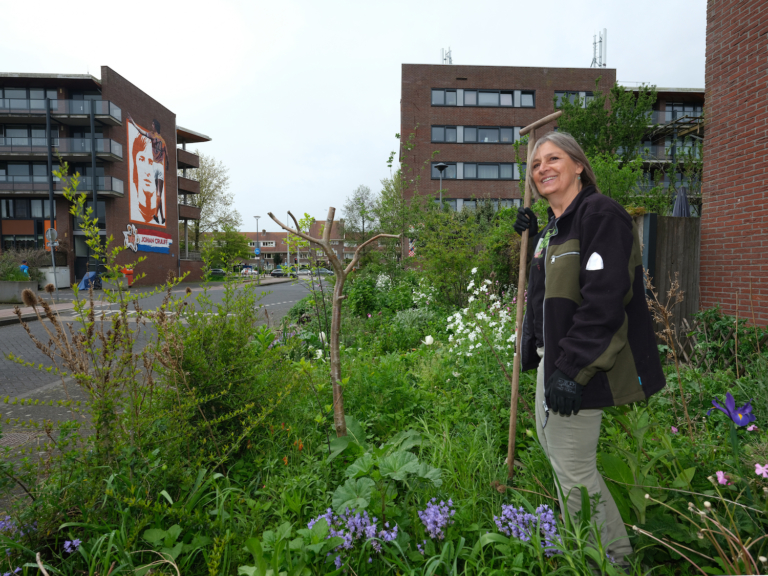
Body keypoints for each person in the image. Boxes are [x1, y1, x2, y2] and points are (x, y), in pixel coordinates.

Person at [515, 132, 665, 566]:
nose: (542, 167)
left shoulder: (601, 215)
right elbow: (545, 298)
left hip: (579, 365)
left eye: (553, 158)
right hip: (553, 362)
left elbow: (604, 299)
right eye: (536, 163)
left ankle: (611, 559)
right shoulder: (555, 227)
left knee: (574, 467)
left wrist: (572, 368)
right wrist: (536, 235)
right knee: (561, 461)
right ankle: (587, 544)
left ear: (579, 165)